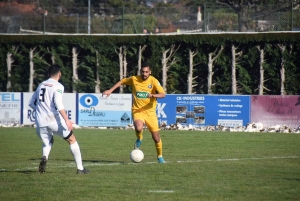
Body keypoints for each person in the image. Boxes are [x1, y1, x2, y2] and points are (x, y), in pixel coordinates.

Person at [29, 64, 90, 174]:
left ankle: (44, 157)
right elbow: (58, 104)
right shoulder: (58, 86)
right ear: (59, 74)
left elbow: (31, 103)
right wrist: (67, 119)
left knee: (48, 142)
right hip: (53, 120)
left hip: (39, 121)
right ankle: (80, 169)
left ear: (48, 74)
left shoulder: (41, 85)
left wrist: (40, 110)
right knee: (72, 140)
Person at [102, 63, 166, 163]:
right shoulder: (134, 79)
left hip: (150, 112)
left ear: (150, 72)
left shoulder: (153, 81)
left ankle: (159, 156)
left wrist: (153, 95)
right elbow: (122, 82)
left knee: (156, 137)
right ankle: (139, 139)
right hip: (137, 110)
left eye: (146, 72)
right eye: (143, 72)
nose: (144, 74)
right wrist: (110, 90)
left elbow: (163, 94)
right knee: (139, 127)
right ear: (140, 71)